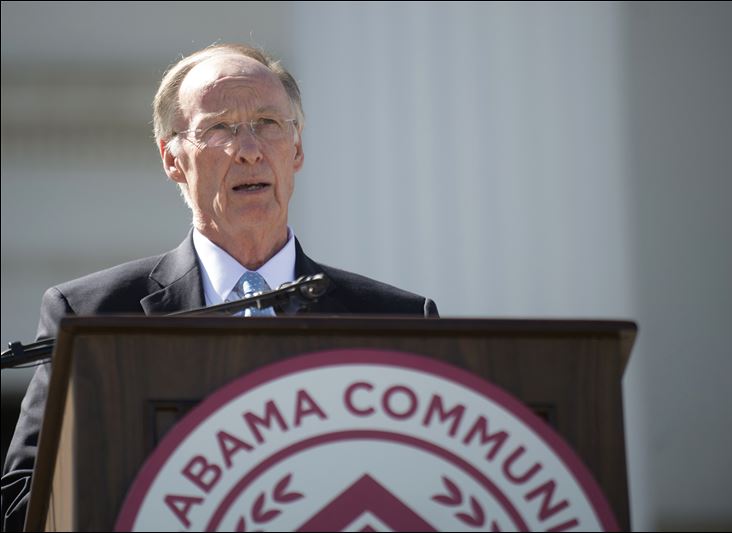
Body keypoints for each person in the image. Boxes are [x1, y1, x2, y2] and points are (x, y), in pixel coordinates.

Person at [0, 43, 438, 531]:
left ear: (296, 150)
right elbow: (24, 506)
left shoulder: (393, 320)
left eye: (269, 124)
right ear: (172, 158)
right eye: (219, 129)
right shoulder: (90, 313)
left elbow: (428, 492)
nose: (249, 149)